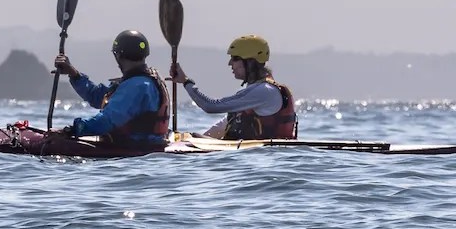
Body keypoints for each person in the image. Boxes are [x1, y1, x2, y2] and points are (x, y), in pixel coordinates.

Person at [50, 29, 171, 150]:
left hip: (133, 150)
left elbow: (107, 121)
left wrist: (70, 130)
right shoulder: (142, 81)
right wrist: (74, 74)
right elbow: (97, 96)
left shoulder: (136, 87)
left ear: (118, 55)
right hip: (148, 150)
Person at [170, 34, 298, 141]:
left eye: (235, 58)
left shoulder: (264, 92)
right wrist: (197, 140)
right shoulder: (254, 92)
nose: (230, 63)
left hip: (267, 158)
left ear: (250, 62)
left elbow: (211, 106)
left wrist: (186, 82)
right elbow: (225, 124)